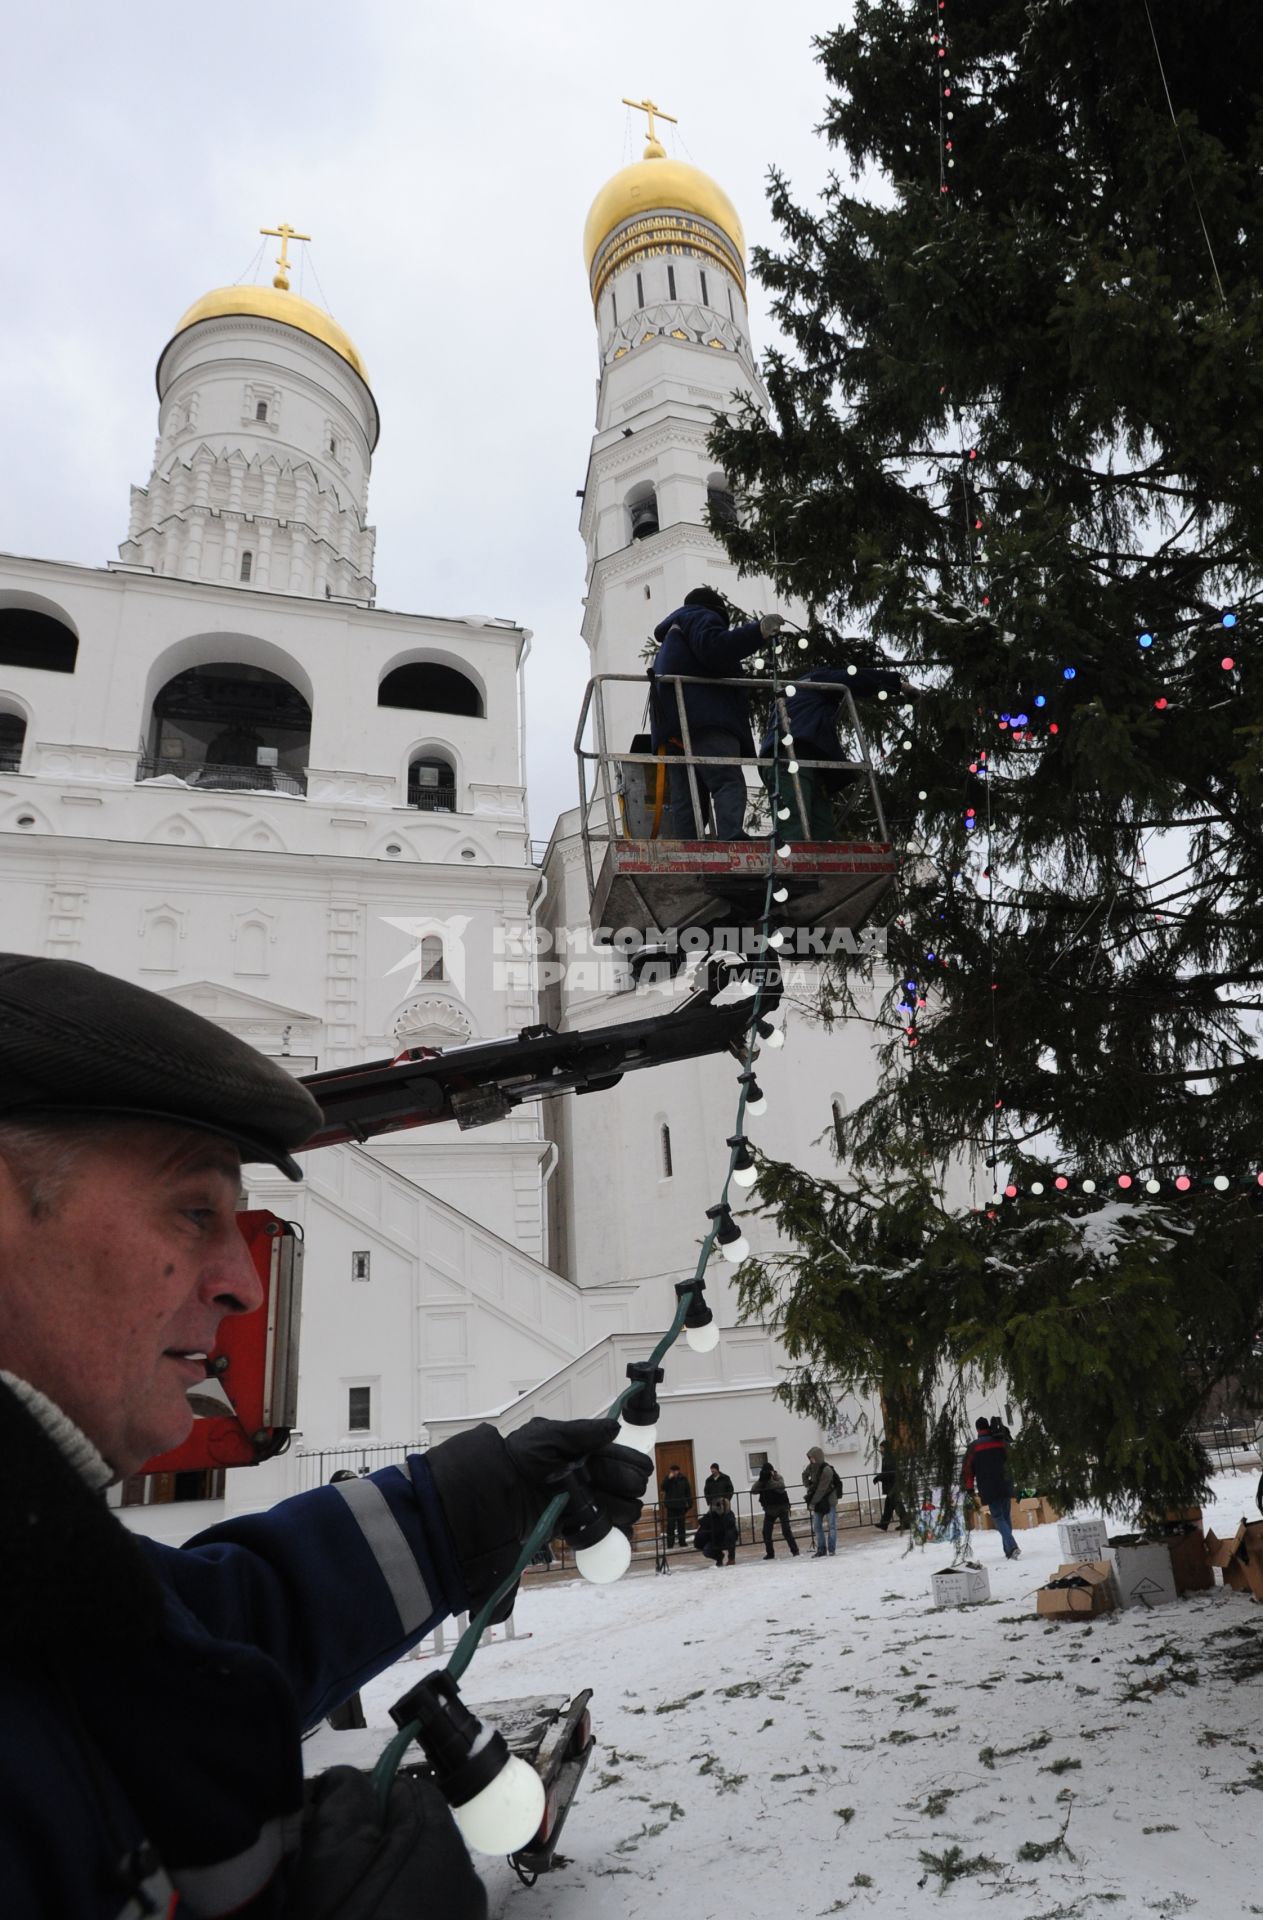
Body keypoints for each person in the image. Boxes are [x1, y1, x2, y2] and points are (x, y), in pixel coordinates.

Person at [0, 953, 651, 1919]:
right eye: (194, 1210)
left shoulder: (37, 1566)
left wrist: (465, 1505)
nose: (244, 1281)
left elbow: (204, 1635)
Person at [650, 585, 784, 839]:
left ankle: (688, 848)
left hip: (673, 727)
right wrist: (758, 631)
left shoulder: (672, 635)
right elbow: (715, 648)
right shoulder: (700, 615)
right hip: (706, 718)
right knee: (726, 780)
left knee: (688, 796)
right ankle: (732, 837)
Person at [757, 666, 914, 840]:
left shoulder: (790, 697)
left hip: (802, 758)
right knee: (795, 828)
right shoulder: (814, 680)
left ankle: (814, 861)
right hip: (790, 754)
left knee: (821, 830)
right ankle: (793, 863)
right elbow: (852, 678)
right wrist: (898, 684)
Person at [962, 1415, 1021, 1559]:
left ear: (977, 1429)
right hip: (1005, 1483)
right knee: (1005, 1517)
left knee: (998, 1518)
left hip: (988, 1487)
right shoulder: (1001, 1442)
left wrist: (969, 1488)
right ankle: (1008, 1551)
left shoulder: (974, 1447)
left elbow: (968, 1470)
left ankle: (1012, 1546)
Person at [754, 1460, 799, 1558]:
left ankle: (795, 1551)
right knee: (766, 1532)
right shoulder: (762, 1481)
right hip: (769, 1510)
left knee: (786, 1530)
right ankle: (770, 1553)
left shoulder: (778, 1477)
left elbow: (781, 1487)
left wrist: (770, 1479)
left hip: (782, 1508)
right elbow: (753, 1491)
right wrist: (761, 1480)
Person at [803, 1446, 841, 1557]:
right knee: (817, 1526)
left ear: (818, 1457)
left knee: (831, 1526)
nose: (811, 1460)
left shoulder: (827, 1470)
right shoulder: (811, 1467)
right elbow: (804, 1475)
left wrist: (812, 1503)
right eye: (810, 1458)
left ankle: (831, 1549)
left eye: (813, 1458)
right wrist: (808, 1484)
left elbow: (821, 1489)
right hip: (818, 1500)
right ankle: (821, 1549)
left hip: (829, 1500)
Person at [874, 1439, 909, 1532]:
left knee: (897, 1505)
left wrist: (879, 1477)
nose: (880, 1450)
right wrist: (880, 1477)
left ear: (886, 1448)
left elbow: (889, 1472)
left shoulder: (889, 1458)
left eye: (882, 1448)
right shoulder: (887, 1457)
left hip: (893, 1485)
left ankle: (905, 1523)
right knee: (890, 1505)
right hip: (891, 1485)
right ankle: (884, 1524)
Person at [694, 1498, 738, 1568]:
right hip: (714, 1540)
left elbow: (730, 1526)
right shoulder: (710, 1516)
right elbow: (702, 1523)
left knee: (730, 1535)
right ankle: (719, 1557)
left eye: (720, 1505)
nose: (718, 1507)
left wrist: (722, 1515)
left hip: (725, 1539)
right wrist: (712, 1515)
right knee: (707, 1550)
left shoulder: (729, 1514)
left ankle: (731, 1558)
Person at [660, 1461, 693, 1548]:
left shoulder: (683, 1479)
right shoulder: (668, 1479)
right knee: (670, 1526)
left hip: (681, 1506)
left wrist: (690, 1503)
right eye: (672, 1471)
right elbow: (663, 1487)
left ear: (678, 1471)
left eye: (675, 1471)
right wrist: (668, 1479)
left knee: (681, 1525)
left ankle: (682, 1542)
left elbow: (688, 1492)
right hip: (671, 1506)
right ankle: (670, 1544)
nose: (673, 1473)